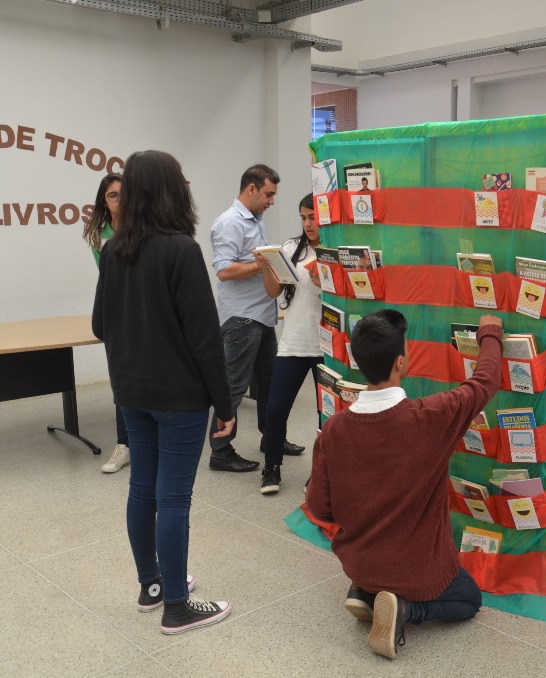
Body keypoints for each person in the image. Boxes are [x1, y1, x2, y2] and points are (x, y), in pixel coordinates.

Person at [307, 309, 503, 660]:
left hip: (359, 562)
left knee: (379, 568)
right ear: (401, 362)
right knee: (469, 600)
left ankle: (365, 592)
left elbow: (320, 507)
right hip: (415, 569)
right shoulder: (431, 417)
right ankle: (406, 609)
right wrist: (490, 333)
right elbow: (484, 382)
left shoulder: (333, 430)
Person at [92, 150, 234, 634]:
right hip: (178, 398)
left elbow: (99, 325)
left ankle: (151, 585)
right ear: (171, 190)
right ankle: (176, 606)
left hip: (131, 393)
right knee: (173, 500)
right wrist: (225, 403)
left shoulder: (113, 250)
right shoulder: (181, 250)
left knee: (142, 491)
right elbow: (204, 338)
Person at [207, 164, 304, 474]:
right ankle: (220, 452)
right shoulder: (229, 223)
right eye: (268, 194)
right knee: (233, 387)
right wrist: (262, 265)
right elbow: (224, 270)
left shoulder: (255, 220)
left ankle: (271, 438)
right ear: (251, 189)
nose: (272, 201)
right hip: (241, 319)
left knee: (269, 385)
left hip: (261, 316)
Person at [258, 194, 322, 494]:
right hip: (294, 342)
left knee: (327, 415)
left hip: (327, 347)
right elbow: (273, 292)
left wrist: (328, 282)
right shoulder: (291, 249)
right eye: (303, 218)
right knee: (275, 408)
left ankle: (322, 474)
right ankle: (271, 467)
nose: (307, 223)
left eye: (313, 217)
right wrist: (266, 268)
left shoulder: (337, 251)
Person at [82, 173, 131, 474]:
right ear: (104, 200)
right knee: (121, 382)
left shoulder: (144, 228)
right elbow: (108, 278)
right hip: (117, 313)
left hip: (145, 314)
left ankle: (146, 441)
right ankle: (124, 445)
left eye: (124, 194)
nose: (119, 200)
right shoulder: (100, 236)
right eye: (113, 195)